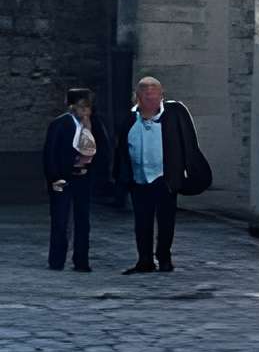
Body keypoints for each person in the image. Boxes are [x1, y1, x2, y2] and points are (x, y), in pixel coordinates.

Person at [114, 76, 206, 274]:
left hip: (164, 178)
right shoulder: (129, 119)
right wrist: (122, 177)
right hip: (139, 179)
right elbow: (121, 149)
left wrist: (189, 172)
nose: (151, 97)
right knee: (142, 222)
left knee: (166, 221)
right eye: (146, 94)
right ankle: (144, 260)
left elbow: (189, 144)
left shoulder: (174, 115)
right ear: (137, 97)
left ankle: (164, 258)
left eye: (154, 93)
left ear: (161, 95)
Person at [43, 85, 99, 272]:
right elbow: (50, 153)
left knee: (83, 221)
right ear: (72, 106)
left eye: (88, 106)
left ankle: (81, 261)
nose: (86, 110)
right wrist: (55, 178)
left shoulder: (94, 124)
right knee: (60, 220)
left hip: (83, 179)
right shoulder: (60, 124)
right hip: (63, 178)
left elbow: (103, 150)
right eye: (82, 106)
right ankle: (56, 261)